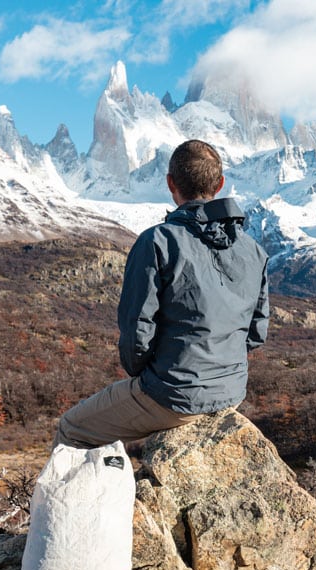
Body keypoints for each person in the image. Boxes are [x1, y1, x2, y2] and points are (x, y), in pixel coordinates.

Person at [54, 139, 269, 448]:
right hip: (231, 391)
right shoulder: (254, 251)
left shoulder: (157, 242)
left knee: (71, 428)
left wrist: (148, 375)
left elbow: (137, 333)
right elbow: (256, 334)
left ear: (170, 183)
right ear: (220, 185)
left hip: (172, 393)